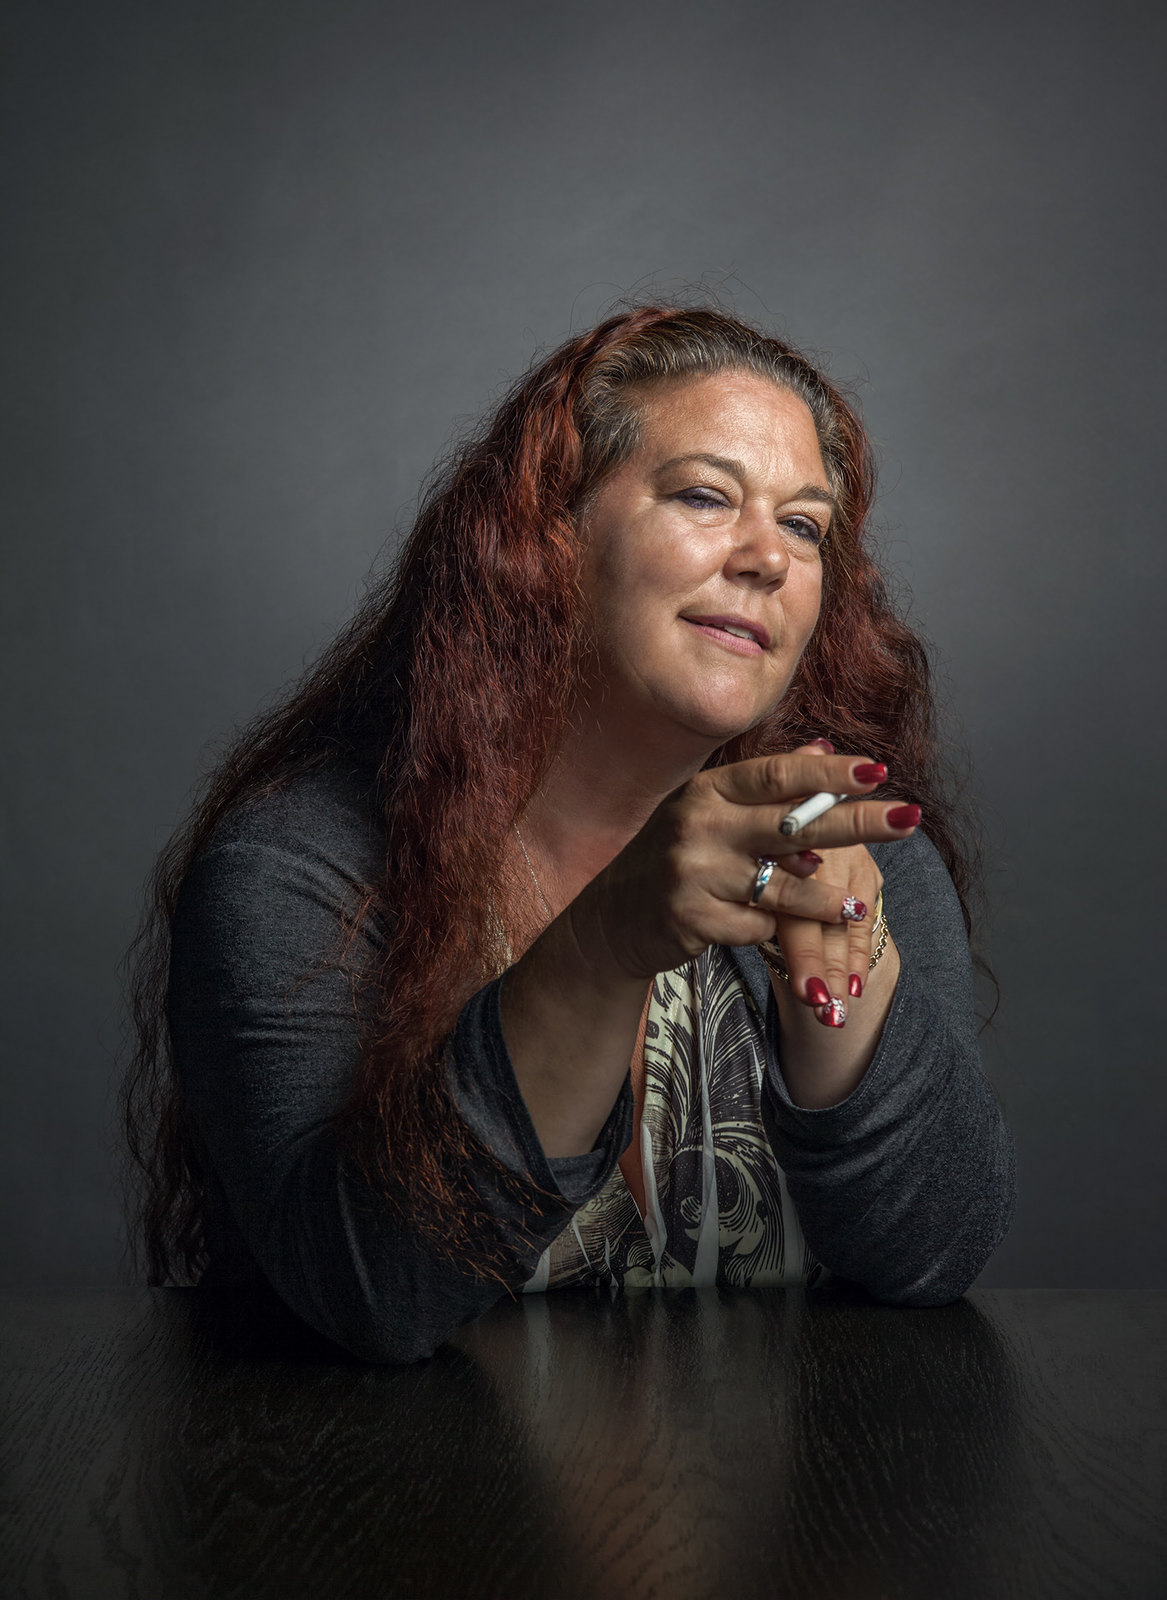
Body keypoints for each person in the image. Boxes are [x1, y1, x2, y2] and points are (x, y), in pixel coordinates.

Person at [120, 305, 1015, 1364]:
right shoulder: (306, 868)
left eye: (807, 526)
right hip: (397, 1516)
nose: (768, 558)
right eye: (704, 495)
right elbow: (366, 1290)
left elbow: (933, 1259)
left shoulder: (860, 855)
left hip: (790, 1527)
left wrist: (839, 1018)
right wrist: (603, 949)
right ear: (552, 539)